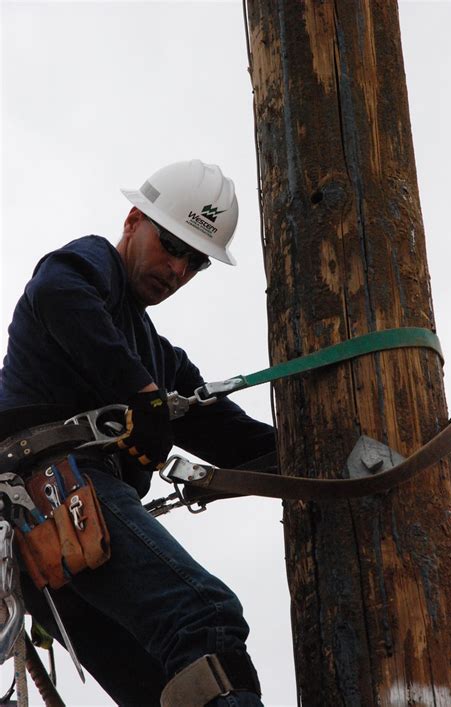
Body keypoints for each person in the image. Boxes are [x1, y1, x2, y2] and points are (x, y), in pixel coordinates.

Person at [0, 159, 276, 706]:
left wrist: (323, 458)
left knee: (159, 685)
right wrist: (141, 394)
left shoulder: (158, 357)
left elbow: (234, 439)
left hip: (74, 539)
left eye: (195, 262)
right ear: (132, 220)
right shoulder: (89, 268)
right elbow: (57, 293)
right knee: (206, 625)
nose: (177, 270)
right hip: (52, 492)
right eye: (171, 246)